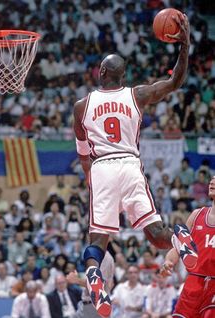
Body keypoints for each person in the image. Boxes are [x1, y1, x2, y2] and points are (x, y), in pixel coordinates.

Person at [73, 12, 197, 318]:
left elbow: (83, 151)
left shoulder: (81, 106)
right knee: (155, 234)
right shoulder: (136, 95)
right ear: (123, 76)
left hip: (102, 166)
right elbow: (175, 81)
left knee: (97, 240)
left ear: (100, 72)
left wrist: (90, 175)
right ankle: (178, 235)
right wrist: (184, 45)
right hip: (129, 163)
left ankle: (94, 275)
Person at [160, 176, 215, 318]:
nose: (212, 182)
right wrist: (169, 262)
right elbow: (179, 246)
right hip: (193, 282)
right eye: (212, 179)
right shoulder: (197, 214)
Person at [66, 250, 115, 318]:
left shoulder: (104, 257)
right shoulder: (95, 254)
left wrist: (77, 280)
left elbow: (99, 285)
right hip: (87, 305)